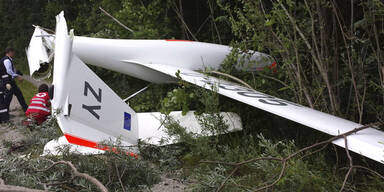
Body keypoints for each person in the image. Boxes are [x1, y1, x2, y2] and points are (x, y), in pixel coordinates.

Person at [0, 48, 28, 112]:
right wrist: (17, 76)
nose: (14, 54)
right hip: (8, 82)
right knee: (9, 97)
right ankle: (5, 113)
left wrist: (17, 73)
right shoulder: (7, 60)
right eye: (13, 52)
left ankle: (26, 109)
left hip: (9, 81)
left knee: (18, 94)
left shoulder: (7, 59)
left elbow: (11, 70)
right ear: (10, 52)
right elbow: (9, 71)